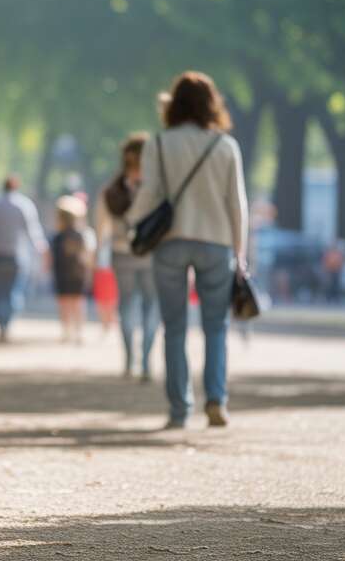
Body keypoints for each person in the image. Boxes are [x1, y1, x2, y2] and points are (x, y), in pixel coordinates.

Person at [127, 71, 248, 430]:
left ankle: (179, 408)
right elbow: (237, 204)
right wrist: (239, 253)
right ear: (212, 104)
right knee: (216, 326)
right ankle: (216, 399)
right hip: (217, 242)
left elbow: (149, 195)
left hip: (170, 242)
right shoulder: (225, 146)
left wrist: (132, 221)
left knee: (175, 327)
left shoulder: (159, 144)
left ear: (173, 104)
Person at [95, 133, 158, 381]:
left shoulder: (111, 191)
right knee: (151, 306)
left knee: (127, 305)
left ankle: (130, 360)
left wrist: (98, 253)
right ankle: (146, 361)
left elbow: (101, 226)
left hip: (121, 253)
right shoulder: (156, 189)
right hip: (152, 254)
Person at [0, 175, 47, 342]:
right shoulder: (24, 205)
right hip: (16, 257)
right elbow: (33, 232)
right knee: (13, 292)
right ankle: (7, 323)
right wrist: (42, 250)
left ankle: (1, 325)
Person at [51, 195, 94, 344]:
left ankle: (67, 332)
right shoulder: (82, 235)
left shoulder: (57, 237)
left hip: (62, 272)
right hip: (78, 273)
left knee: (65, 303)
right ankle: (78, 331)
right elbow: (87, 256)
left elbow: (52, 257)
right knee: (78, 303)